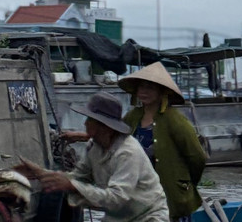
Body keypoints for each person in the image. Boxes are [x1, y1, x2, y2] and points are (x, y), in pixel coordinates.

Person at [15, 92, 169, 222]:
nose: (85, 123)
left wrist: (71, 185)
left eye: (90, 120)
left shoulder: (128, 153)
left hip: (148, 215)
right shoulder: (94, 147)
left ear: (104, 127)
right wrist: (41, 174)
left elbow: (116, 198)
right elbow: (78, 177)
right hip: (121, 217)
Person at [119, 62, 207, 222]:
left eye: (150, 88)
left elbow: (197, 158)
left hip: (169, 196)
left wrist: (183, 182)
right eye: (141, 87)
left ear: (162, 92)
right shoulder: (133, 117)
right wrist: (83, 137)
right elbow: (115, 140)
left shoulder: (175, 120)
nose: (144, 91)